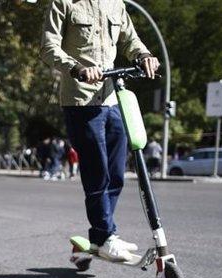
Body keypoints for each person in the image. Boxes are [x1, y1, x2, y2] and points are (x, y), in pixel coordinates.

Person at [41, 0, 160, 261]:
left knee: (116, 173)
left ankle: (99, 236)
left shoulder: (116, 4)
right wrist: (77, 68)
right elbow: (48, 47)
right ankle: (106, 235)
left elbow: (131, 40)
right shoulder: (64, 3)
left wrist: (145, 55)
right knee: (98, 173)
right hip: (80, 101)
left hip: (112, 99)